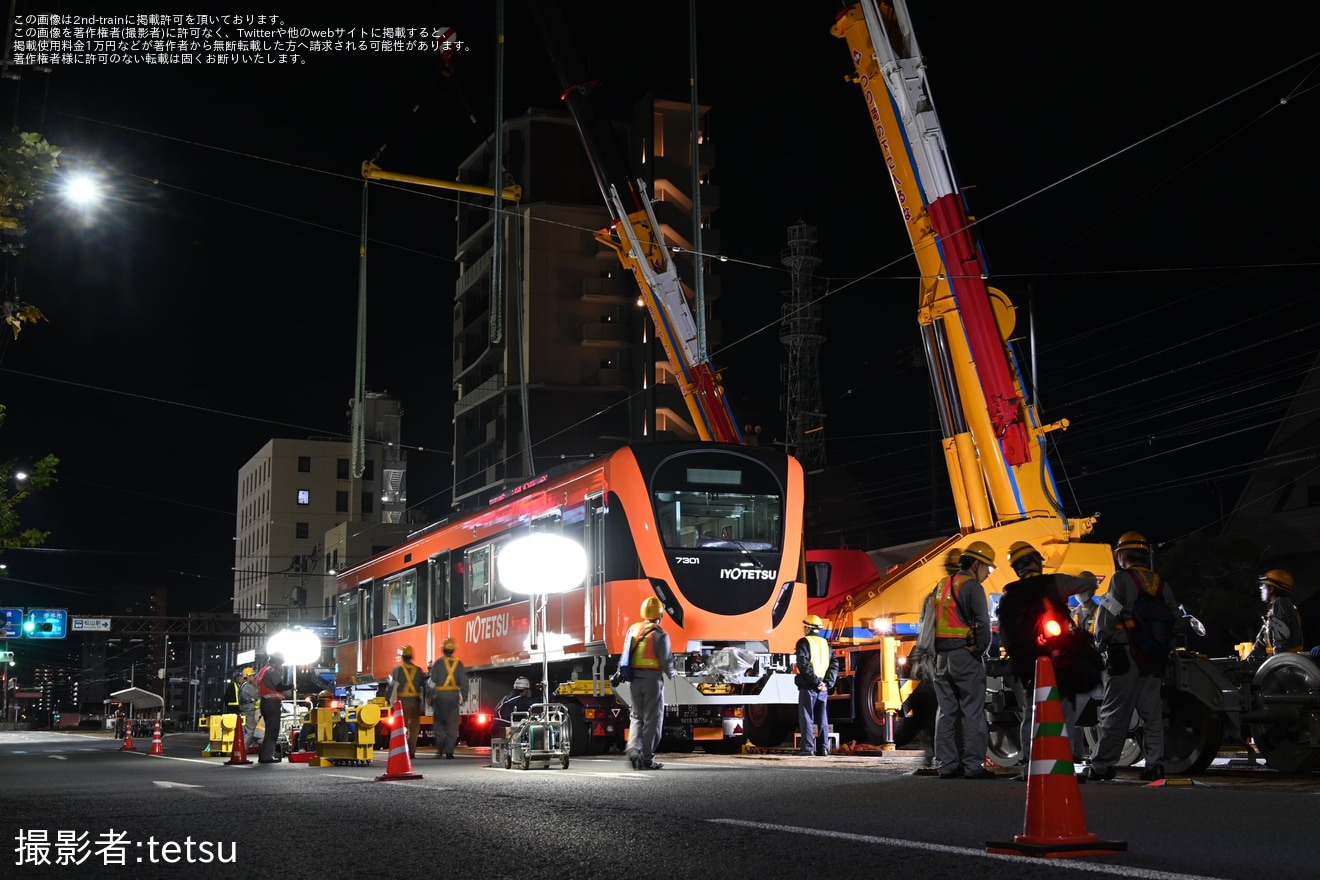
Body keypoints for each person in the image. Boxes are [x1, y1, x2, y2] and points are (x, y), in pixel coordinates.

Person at [1082, 531, 1181, 782]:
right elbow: (1175, 620)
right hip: (1154, 657)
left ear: (1121, 555)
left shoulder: (1121, 579)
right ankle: (1154, 765)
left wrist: (1100, 642)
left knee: (1115, 713)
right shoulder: (1161, 583)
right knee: (1152, 713)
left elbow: (1107, 616)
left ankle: (1102, 765)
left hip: (1124, 655)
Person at [994, 542, 1096, 778]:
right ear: (1035, 561)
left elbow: (1004, 635)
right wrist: (1083, 580)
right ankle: (1062, 766)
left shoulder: (1008, 596)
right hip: (1059, 661)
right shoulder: (1054, 583)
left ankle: (1029, 766)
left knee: (1031, 713)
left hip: (1028, 665)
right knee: (1064, 712)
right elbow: (1089, 584)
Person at [929, 541, 996, 780]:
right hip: (964, 658)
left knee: (946, 713)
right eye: (988, 567)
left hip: (941, 659)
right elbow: (983, 624)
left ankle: (946, 765)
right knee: (972, 712)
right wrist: (980, 649)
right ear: (976, 564)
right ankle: (972, 766)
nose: (988, 573)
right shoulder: (973, 587)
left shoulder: (942, 585)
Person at [619, 596, 675, 770]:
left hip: (634, 680)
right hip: (652, 681)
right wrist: (673, 673)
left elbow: (625, 654)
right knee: (652, 720)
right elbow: (666, 661)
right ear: (661, 615)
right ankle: (647, 759)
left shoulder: (633, 630)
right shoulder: (659, 634)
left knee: (636, 717)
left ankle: (634, 749)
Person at [795, 615, 839, 756]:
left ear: (808, 627)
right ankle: (823, 748)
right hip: (823, 689)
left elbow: (803, 665)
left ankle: (807, 749)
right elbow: (834, 665)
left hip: (809, 686)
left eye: (804, 627)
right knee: (822, 718)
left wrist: (816, 682)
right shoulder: (827, 644)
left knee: (807, 717)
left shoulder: (804, 642)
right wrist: (827, 683)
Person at [429, 637, 469, 759]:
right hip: (453, 700)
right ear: (453, 650)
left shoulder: (438, 663)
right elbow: (464, 683)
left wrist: (429, 696)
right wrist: (464, 697)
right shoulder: (459, 664)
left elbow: (431, 682)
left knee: (439, 724)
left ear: (443, 649)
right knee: (452, 726)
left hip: (439, 699)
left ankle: (440, 744)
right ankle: (449, 751)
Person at [1251, 570, 1303, 658]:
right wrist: (1249, 658)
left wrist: (1278, 663)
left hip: (1288, 661)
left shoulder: (1281, 604)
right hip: (1285, 659)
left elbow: (1280, 641)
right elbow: (1262, 640)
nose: (1261, 589)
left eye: (1263, 586)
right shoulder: (1275, 608)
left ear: (1271, 589)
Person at [388, 645, 428, 759]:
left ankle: (402, 750)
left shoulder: (397, 670)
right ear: (411, 657)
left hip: (402, 703)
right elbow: (423, 686)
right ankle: (412, 751)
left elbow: (392, 686)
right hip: (415, 702)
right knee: (414, 728)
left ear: (402, 657)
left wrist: (389, 699)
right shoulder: (418, 670)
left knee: (401, 727)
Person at [254, 652, 286, 763]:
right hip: (272, 704)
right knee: (272, 731)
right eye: (280, 663)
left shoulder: (263, 670)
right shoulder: (272, 671)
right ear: (277, 662)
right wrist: (291, 686)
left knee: (268, 731)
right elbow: (279, 686)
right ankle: (267, 756)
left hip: (265, 703)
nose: (281, 666)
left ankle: (264, 755)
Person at [239, 667, 259, 747]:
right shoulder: (248, 686)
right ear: (247, 676)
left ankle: (242, 747)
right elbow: (257, 696)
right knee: (250, 730)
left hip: (244, 709)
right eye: (252, 676)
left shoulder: (243, 685)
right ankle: (242, 748)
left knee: (245, 731)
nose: (254, 678)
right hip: (249, 710)